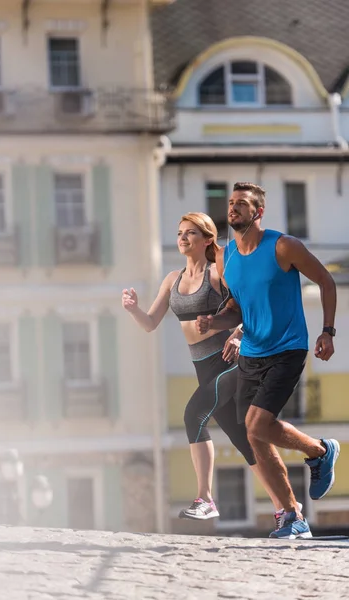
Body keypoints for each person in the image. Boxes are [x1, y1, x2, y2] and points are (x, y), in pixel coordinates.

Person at [196, 182, 339, 539]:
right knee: (254, 435)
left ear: (258, 212)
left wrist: (327, 331)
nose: (233, 209)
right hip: (253, 354)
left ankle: (320, 450)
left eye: (242, 204)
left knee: (257, 424)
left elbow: (325, 281)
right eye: (231, 203)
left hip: (287, 349)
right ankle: (293, 517)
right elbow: (238, 308)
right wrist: (217, 322)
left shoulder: (283, 246)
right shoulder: (226, 257)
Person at [122, 212, 283, 523]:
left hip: (232, 361)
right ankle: (287, 509)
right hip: (203, 366)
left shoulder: (218, 273)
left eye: (191, 233)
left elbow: (256, 306)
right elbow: (150, 324)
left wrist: (238, 336)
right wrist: (133, 310)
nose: (183, 238)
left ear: (208, 239)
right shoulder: (173, 279)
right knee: (243, 438)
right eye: (180, 232)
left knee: (193, 414)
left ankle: (205, 498)